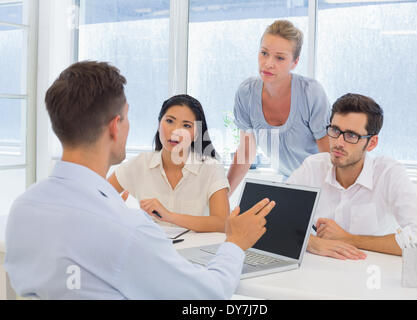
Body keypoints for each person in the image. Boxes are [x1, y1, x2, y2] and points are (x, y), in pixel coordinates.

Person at [4, 61, 275, 299]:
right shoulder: (129, 230)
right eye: (128, 116)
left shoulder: (23, 209)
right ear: (115, 125)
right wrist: (236, 243)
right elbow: (209, 294)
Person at [287, 93, 417, 259]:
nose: (338, 142)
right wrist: (311, 242)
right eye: (335, 130)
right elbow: (273, 217)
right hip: (320, 272)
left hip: (372, 273)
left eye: (351, 135)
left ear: (372, 143)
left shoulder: (388, 173)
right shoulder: (313, 167)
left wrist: (348, 239)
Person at [227, 20, 331, 194]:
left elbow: (328, 158)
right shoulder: (246, 93)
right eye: (264, 53)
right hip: (290, 183)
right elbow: (246, 152)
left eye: (280, 58)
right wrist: (223, 198)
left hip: (322, 184)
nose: (268, 63)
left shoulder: (311, 93)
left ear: (295, 62)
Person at [108, 94, 230, 232]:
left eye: (186, 125)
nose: (175, 131)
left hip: (196, 252)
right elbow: (96, 196)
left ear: (196, 134)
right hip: (151, 250)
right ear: (159, 123)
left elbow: (222, 223)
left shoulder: (211, 168)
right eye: (170, 121)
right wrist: (118, 213)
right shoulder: (140, 163)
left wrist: (169, 216)